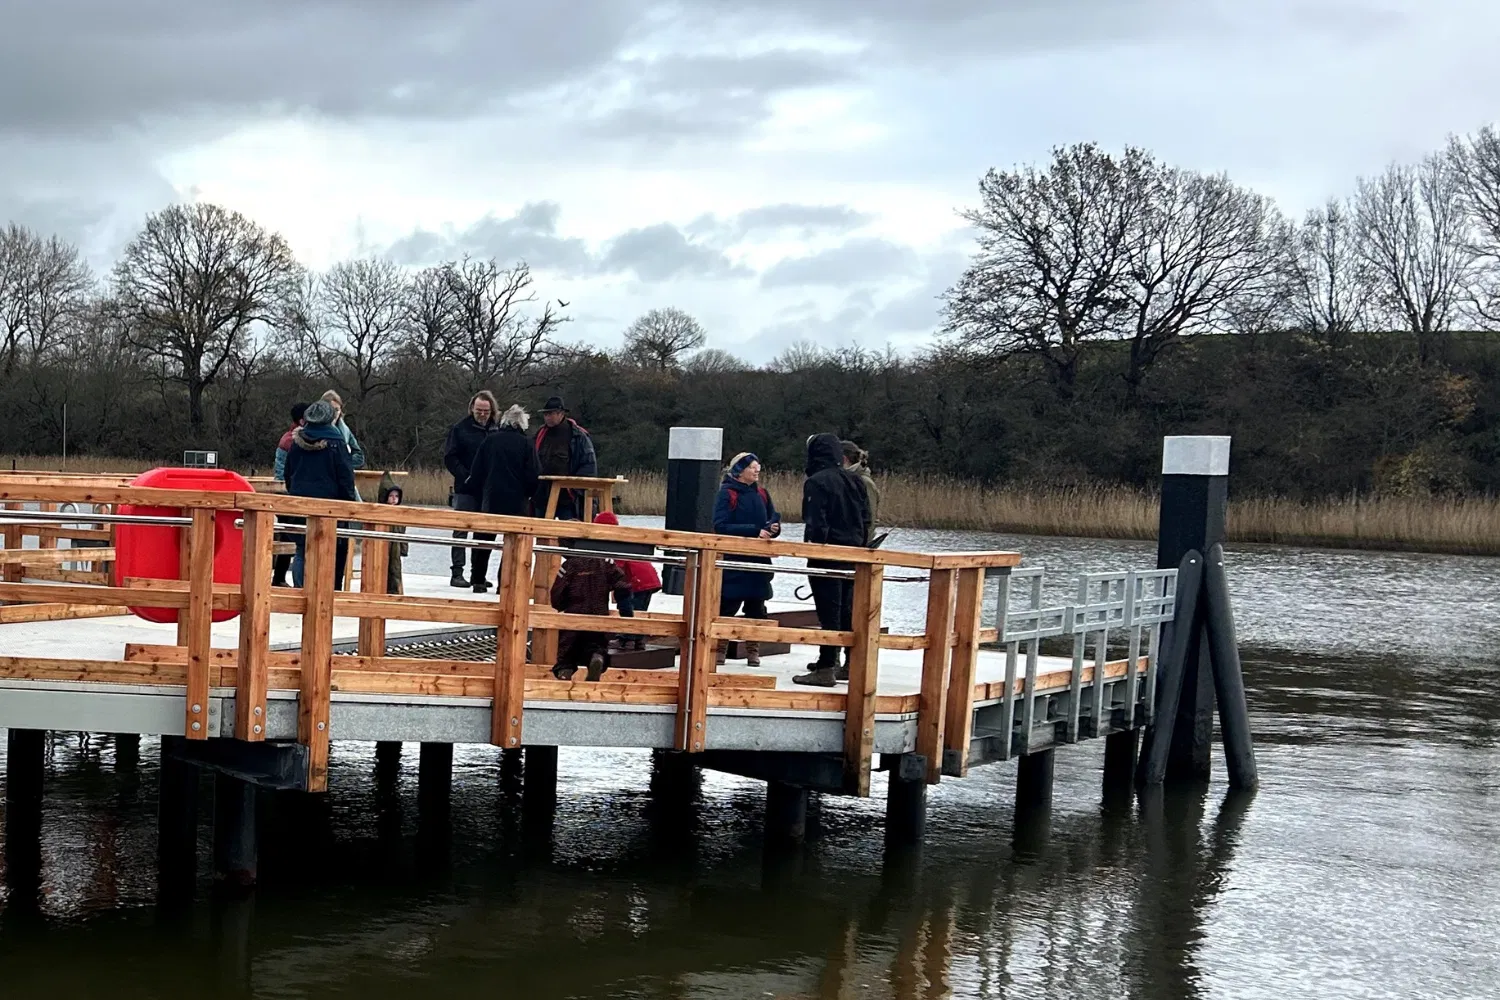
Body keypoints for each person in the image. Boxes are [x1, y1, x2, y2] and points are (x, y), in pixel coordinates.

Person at [792, 433, 871, 687]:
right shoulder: (856, 481)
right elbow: (865, 519)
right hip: (854, 557)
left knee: (829, 612)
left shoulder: (817, 482)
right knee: (849, 610)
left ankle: (826, 666)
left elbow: (816, 521)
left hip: (827, 557)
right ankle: (851, 662)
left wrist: (816, 547)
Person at [712, 452, 781, 667]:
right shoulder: (727, 493)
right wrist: (754, 531)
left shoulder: (762, 493)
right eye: (752, 467)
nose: (757, 470)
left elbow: (772, 517)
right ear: (740, 471)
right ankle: (719, 649)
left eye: (758, 466)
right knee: (726, 606)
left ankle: (753, 651)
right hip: (734, 558)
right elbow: (720, 525)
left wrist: (773, 529)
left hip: (758, 561)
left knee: (757, 608)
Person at [462, 404, 541, 593]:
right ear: (522, 423)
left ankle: (478, 580)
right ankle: (504, 583)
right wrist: (529, 494)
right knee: (512, 544)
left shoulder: (490, 441)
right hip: (517, 501)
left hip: (491, 498)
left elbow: (476, 472)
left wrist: (480, 492)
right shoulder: (527, 444)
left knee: (483, 540)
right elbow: (534, 474)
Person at [284, 400, 359, 590]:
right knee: (329, 550)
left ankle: (300, 591)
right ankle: (324, 593)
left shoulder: (296, 444)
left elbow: (288, 473)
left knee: (302, 550)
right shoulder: (336, 443)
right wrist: (349, 503)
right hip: (330, 506)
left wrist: (294, 493)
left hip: (300, 504)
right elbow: (345, 476)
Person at [549, 551, 635, 681]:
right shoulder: (606, 562)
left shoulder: (569, 565)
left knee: (568, 647)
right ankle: (596, 657)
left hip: (574, 613)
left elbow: (557, 591)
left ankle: (564, 669)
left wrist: (560, 605)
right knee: (596, 643)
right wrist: (625, 610)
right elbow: (621, 584)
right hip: (599, 612)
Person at [443, 391, 498, 588]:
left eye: (486, 411)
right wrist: (465, 476)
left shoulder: (496, 430)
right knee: (461, 530)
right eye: (479, 411)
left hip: (489, 489)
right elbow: (450, 457)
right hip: (465, 488)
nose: (482, 414)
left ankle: (479, 575)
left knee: (484, 533)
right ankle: (457, 572)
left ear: (492, 410)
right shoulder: (460, 429)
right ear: (472, 409)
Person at [594, 511, 662, 651]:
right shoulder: (624, 538)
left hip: (636, 582)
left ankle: (627, 639)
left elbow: (618, 567)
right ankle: (638, 640)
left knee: (628, 609)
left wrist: (608, 584)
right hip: (646, 580)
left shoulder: (615, 544)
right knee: (639, 610)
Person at [532, 395, 596, 520]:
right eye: (545, 414)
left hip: (568, 498)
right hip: (542, 495)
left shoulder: (578, 436)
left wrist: (575, 490)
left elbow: (588, 466)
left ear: (561, 414)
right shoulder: (540, 434)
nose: (547, 417)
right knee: (542, 535)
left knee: (569, 535)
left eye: (550, 414)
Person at [271, 401, 309, 587]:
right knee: (294, 536)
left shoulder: (288, 438)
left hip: (286, 491)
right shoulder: (293, 440)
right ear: (302, 419)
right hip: (288, 493)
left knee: (290, 534)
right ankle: (282, 578)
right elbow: (285, 473)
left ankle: (279, 577)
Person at [841, 440, 880, 542]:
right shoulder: (845, 480)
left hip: (859, 547)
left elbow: (870, 521)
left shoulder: (865, 482)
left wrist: (862, 545)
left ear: (844, 459)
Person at [319, 389, 367, 471]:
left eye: (337, 410)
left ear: (341, 410)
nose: (334, 413)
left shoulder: (345, 430)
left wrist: (343, 463)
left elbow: (359, 456)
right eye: (330, 409)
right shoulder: (314, 429)